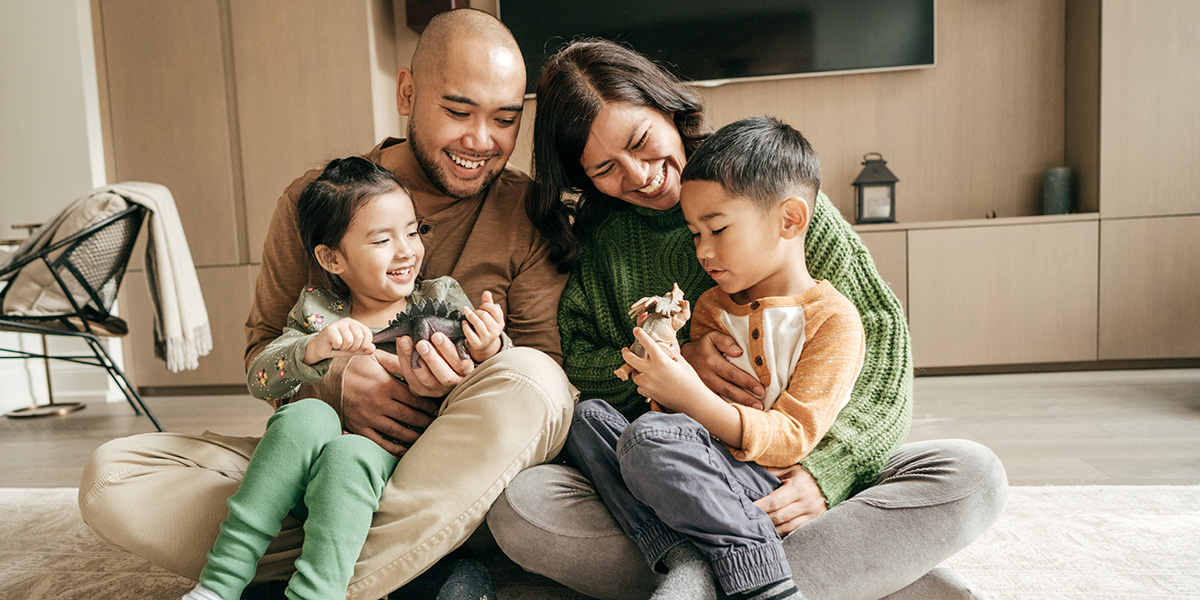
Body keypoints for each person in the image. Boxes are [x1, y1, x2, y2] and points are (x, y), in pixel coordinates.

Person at [487, 38, 1008, 600]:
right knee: (522, 504)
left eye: (642, 142)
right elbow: (578, 367)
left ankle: (701, 577)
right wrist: (675, 367)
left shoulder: (764, 191)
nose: (639, 175)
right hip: (672, 468)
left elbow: (880, 343)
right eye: (606, 169)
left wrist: (825, 477)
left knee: (971, 473)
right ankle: (805, 572)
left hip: (791, 467)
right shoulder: (599, 243)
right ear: (582, 178)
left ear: (667, 109)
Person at [79, 10, 573, 600]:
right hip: (327, 459)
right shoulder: (316, 202)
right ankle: (409, 558)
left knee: (535, 379)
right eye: (459, 112)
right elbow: (261, 356)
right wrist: (335, 380)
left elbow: (544, 383)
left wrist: (482, 361)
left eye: (506, 119)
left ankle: (316, 579)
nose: (481, 140)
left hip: (453, 466)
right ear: (407, 92)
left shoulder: (528, 210)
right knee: (111, 478)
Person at [566, 116, 866, 600]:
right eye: (694, 235)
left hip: (765, 480)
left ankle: (757, 569)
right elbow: (677, 425)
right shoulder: (709, 308)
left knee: (646, 439)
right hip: (693, 471)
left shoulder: (833, 321)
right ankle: (682, 556)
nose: (704, 252)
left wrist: (687, 398)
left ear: (790, 219)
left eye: (717, 230)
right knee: (585, 421)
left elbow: (792, 439)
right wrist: (663, 360)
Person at [184, 156, 507, 600]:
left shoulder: (440, 298)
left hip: (396, 479)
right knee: (306, 416)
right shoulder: (317, 313)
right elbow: (261, 378)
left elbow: (491, 385)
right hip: (299, 483)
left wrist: (490, 345)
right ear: (332, 258)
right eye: (381, 240)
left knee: (350, 454)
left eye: (413, 232)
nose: (406, 251)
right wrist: (313, 350)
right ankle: (218, 585)